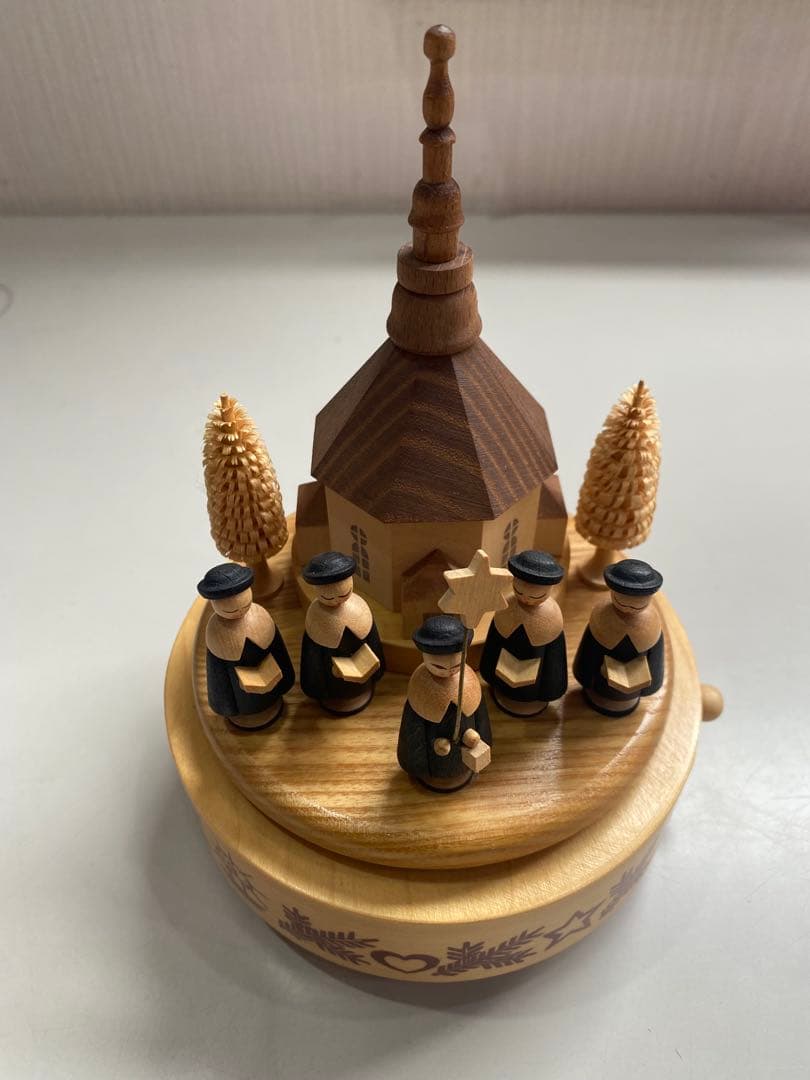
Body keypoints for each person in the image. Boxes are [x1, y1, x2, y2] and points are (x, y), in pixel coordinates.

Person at [397, 614, 492, 793]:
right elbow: (413, 729)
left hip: (465, 746)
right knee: (440, 762)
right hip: (433, 754)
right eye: (439, 667)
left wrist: (481, 738)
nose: (448, 671)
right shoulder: (421, 684)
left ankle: (462, 769)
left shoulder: (468, 679)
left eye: (456, 666)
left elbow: (480, 716)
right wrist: (419, 758)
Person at [198, 562, 295, 729]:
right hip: (240, 693)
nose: (236, 605)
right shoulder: (215, 631)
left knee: (269, 693)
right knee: (244, 699)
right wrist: (225, 704)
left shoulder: (260, 615)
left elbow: (278, 650)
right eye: (227, 599)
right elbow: (217, 675)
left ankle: (270, 701)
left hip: (272, 682)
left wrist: (285, 679)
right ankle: (247, 712)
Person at [480, 549, 567, 716]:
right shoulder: (506, 607)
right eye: (519, 591)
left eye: (536, 596)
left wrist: (552, 685)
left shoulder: (552, 615)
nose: (526, 599)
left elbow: (554, 656)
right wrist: (489, 668)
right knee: (503, 678)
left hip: (537, 667)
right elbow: (494, 643)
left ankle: (531, 698)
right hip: (504, 661)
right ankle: (503, 691)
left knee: (533, 684)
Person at [573, 558, 665, 717]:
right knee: (600, 688)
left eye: (636, 603)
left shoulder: (651, 623)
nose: (629, 607)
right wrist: (584, 675)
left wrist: (651, 684)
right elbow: (589, 650)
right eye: (623, 601)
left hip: (633, 690)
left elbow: (655, 657)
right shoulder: (602, 616)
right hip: (598, 683)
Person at [300, 551, 385, 714]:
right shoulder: (316, 617)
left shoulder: (359, 607)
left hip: (363, 678)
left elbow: (373, 640)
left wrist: (375, 665)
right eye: (329, 592)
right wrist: (318, 681)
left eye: (341, 587)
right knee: (334, 685)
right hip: (331, 677)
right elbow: (312, 656)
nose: (336, 597)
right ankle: (333, 695)